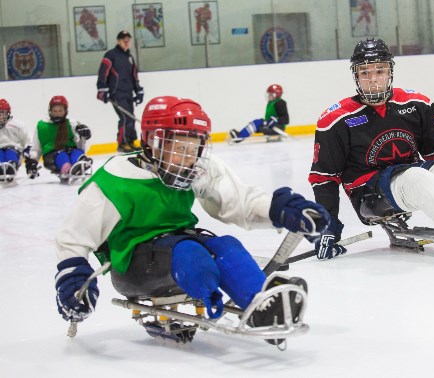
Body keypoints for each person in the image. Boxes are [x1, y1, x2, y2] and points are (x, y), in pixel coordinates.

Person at [53, 96, 330, 344]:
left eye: (194, 148)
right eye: (178, 148)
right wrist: (74, 279)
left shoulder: (193, 169)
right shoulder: (116, 178)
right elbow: (73, 237)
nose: (187, 158)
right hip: (132, 267)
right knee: (191, 253)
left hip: (178, 243)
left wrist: (280, 210)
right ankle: (209, 293)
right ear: (152, 142)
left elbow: (237, 201)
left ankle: (261, 304)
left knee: (226, 246)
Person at [308, 38, 434, 260]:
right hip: (369, 195)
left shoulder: (415, 104)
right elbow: (324, 178)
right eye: (365, 73)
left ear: (390, 72)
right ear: (356, 76)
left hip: (407, 181)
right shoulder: (336, 120)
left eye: (379, 71)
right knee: (415, 175)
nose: (373, 79)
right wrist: (326, 229)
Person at [96, 30, 144, 153]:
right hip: (116, 93)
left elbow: (134, 76)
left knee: (131, 117)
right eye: (124, 40)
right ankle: (122, 143)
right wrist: (103, 89)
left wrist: (138, 91)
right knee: (125, 117)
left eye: (128, 40)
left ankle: (132, 140)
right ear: (118, 41)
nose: (126, 42)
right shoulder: (111, 55)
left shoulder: (129, 57)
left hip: (128, 93)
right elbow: (103, 73)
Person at [29, 96, 93, 182]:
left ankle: (80, 163)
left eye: (60, 111)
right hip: (52, 155)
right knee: (61, 155)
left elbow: (80, 145)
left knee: (76, 152)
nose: (58, 113)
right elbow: (36, 147)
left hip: (70, 150)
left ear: (65, 111)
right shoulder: (42, 126)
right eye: (55, 111)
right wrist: (33, 162)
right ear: (50, 111)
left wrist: (85, 137)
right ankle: (67, 169)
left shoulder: (72, 123)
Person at [0, 99, 37, 182]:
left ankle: (11, 166)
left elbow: (28, 142)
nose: (0, 116)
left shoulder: (17, 125)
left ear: (8, 113)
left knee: (11, 153)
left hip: (14, 150)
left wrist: (30, 162)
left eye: (3, 113)